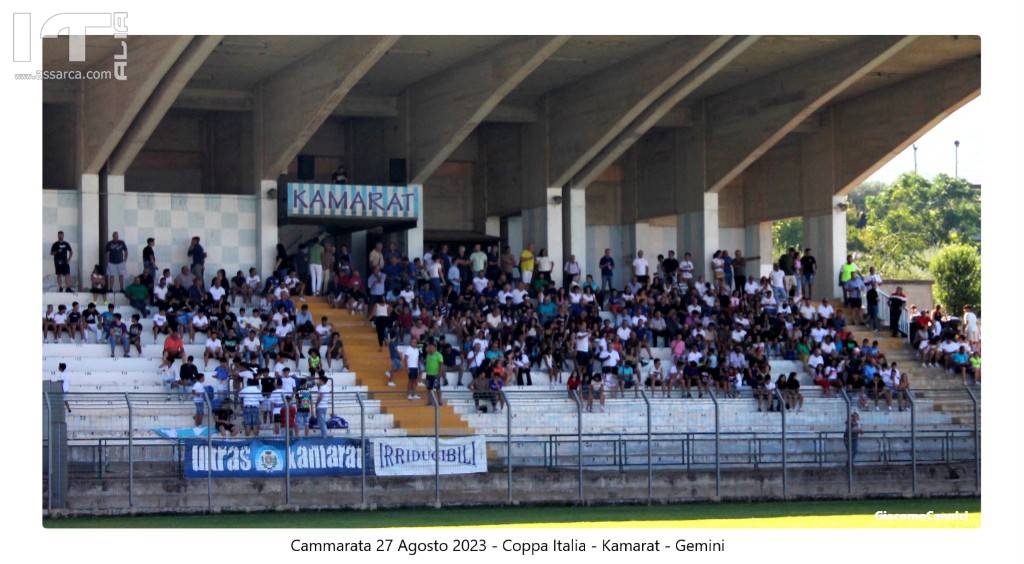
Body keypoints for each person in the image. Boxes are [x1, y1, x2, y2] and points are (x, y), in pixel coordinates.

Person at [423, 341, 445, 405]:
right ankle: (429, 401)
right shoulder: (428, 355)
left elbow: (441, 365)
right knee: (429, 388)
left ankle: (440, 401)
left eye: (431, 347)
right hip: (428, 375)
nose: (430, 348)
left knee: (437, 388)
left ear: (435, 348)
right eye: (429, 347)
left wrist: (439, 374)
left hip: (436, 375)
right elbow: (426, 363)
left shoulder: (439, 355)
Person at [315, 373, 331, 438]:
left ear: (322, 381)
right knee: (322, 420)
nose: (318, 381)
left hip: (321, 406)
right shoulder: (327, 387)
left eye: (319, 380)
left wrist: (316, 403)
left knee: (321, 421)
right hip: (325, 406)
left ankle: (324, 435)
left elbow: (321, 397)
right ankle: (324, 433)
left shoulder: (322, 388)